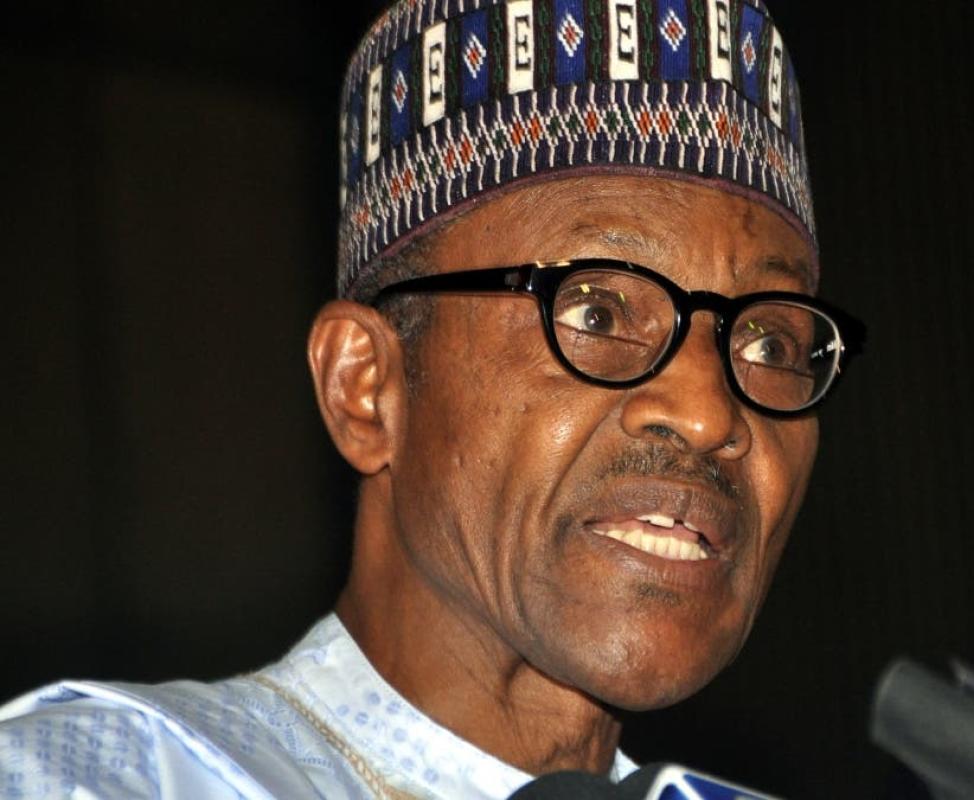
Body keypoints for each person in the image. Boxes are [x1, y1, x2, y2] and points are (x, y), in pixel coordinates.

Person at [0, 0, 860, 797]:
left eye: (770, 345)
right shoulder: (100, 779)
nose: (709, 413)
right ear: (366, 388)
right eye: (596, 311)